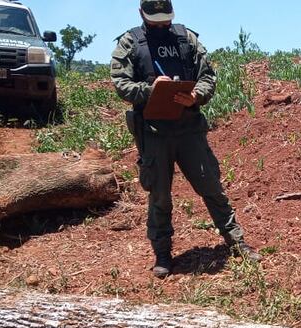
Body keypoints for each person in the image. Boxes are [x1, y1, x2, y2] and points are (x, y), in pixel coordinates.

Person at [111, 0, 259, 278]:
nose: (162, 24)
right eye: (156, 19)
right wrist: (150, 89)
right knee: (160, 196)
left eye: (166, 18)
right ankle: (163, 254)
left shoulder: (186, 37)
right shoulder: (130, 42)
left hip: (189, 129)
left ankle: (237, 243)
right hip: (154, 134)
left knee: (212, 188)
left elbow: (208, 76)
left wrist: (195, 95)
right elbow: (121, 83)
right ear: (141, 14)